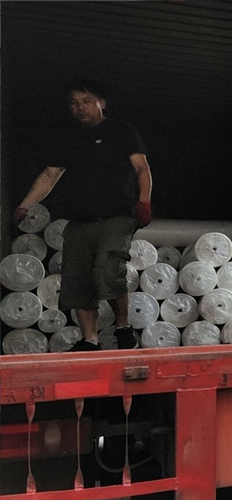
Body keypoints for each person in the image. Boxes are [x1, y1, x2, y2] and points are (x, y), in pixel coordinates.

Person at [13, 79, 153, 351]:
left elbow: (142, 168)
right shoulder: (68, 138)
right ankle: (90, 339)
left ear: (102, 102)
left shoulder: (121, 131)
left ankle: (123, 328)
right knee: (76, 281)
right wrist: (24, 205)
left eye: (86, 101)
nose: (79, 108)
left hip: (116, 217)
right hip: (79, 221)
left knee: (108, 271)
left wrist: (144, 201)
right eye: (74, 103)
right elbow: (51, 175)